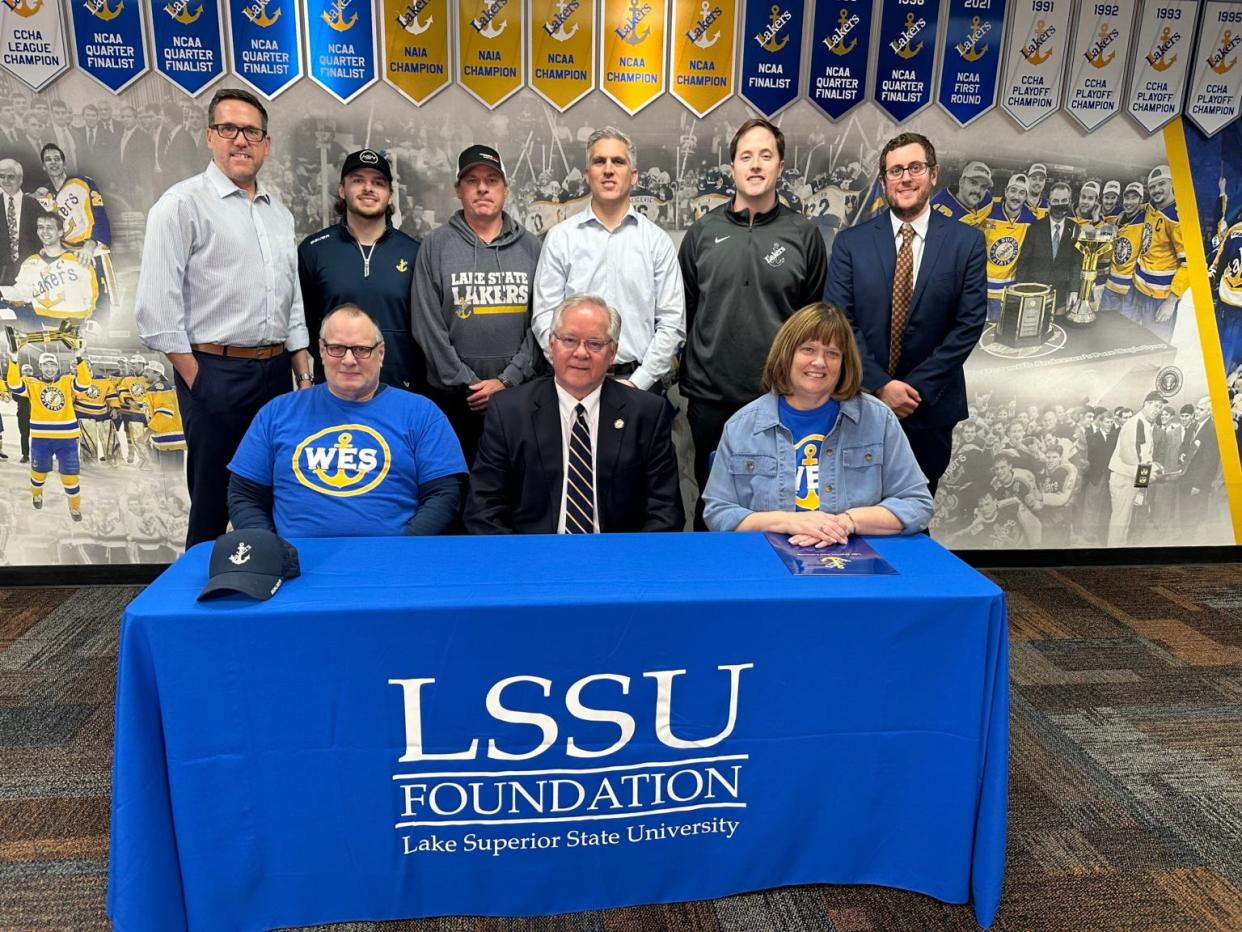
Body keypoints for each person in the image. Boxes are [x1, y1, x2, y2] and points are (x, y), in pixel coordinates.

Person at [134, 87, 312, 547]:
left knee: (276, 497)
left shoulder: (280, 214)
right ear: (210, 136)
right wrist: (200, 381)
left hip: (276, 375)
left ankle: (270, 590)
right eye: (228, 128)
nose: (241, 140)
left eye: (251, 131)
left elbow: (290, 298)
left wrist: (302, 373)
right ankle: (201, 608)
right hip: (213, 371)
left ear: (266, 143)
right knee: (213, 502)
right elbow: (157, 313)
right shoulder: (180, 205)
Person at [678, 118, 827, 527]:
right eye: (746, 156)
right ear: (733, 168)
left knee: (778, 503)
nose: (756, 165)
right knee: (714, 505)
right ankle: (711, 587)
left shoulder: (804, 235)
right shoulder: (702, 233)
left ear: (780, 166)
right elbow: (686, 312)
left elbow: (812, 323)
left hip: (779, 398)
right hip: (711, 399)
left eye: (766, 155)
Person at [824, 132, 987, 496]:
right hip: (859, 402)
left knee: (913, 518)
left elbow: (969, 323)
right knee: (851, 514)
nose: (905, 178)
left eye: (915, 167)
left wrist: (911, 391)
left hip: (930, 408)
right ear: (883, 182)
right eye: (895, 170)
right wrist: (881, 384)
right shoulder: (851, 244)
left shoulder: (967, 242)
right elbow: (839, 321)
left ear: (933, 174)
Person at [702, 302, 932, 545]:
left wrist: (846, 522)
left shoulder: (878, 419)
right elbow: (718, 512)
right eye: (808, 349)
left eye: (832, 353)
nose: (820, 362)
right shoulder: (742, 425)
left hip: (854, 560)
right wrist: (788, 522)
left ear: (845, 362)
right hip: (769, 561)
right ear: (786, 353)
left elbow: (916, 503)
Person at [229, 305, 466, 537]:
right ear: (321, 351)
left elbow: (444, 494)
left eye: (362, 349)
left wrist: (401, 551)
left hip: (390, 561)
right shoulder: (276, 413)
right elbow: (244, 495)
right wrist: (271, 550)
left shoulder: (422, 414)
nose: (349, 360)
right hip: (296, 563)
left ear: (380, 353)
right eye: (337, 348)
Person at [465, 294, 683, 534]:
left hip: (619, 561)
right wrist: (521, 566)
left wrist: (628, 566)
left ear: (612, 353)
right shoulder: (509, 411)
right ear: (551, 344)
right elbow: (484, 509)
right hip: (532, 561)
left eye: (595, 343)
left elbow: (666, 512)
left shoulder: (647, 414)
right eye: (569, 340)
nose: (581, 353)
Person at [411, 144, 542, 464]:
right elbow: (426, 325)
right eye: (472, 180)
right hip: (455, 402)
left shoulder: (531, 247)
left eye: (492, 180)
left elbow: (543, 322)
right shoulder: (435, 246)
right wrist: (467, 384)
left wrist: (508, 380)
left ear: (505, 189)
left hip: (519, 398)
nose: (482, 187)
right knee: (456, 492)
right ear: (458, 189)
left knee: (517, 496)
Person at [531, 128, 684, 393]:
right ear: (588, 174)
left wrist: (640, 381)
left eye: (619, 161)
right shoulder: (560, 238)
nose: (609, 169)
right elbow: (545, 317)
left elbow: (672, 323)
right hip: (572, 385)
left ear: (633, 175)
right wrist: (573, 369)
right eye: (599, 161)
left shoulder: (657, 242)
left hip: (641, 385)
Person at [298, 148, 422, 392]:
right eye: (358, 181)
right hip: (335, 390)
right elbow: (302, 325)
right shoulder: (313, 250)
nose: (368, 188)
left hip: (401, 389)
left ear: (389, 195)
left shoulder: (415, 252)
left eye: (378, 183)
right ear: (342, 190)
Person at [5, 349, 92, 520]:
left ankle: (74, 507)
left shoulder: (67, 380)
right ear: (40, 366)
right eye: (46, 364)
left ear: (57, 366)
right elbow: (14, 385)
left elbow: (84, 384)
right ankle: (37, 494)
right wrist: (13, 359)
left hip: (66, 439)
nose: (50, 368)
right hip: (41, 439)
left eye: (53, 364)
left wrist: (79, 358)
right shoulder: (31, 382)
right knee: (39, 474)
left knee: (70, 476)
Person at [1011, 181, 1081, 315]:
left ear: (1070, 201)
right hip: (1034, 293)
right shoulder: (1035, 228)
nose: (1060, 204)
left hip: (1060, 295)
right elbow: (1024, 262)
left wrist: (1074, 290)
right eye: (1056, 200)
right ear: (1049, 203)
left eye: (1064, 200)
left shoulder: (1075, 228)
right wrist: (1019, 290)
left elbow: (1075, 263)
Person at [1107, 391, 1164, 546]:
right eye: (1156, 406)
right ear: (1146, 404)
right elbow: (1131, 458)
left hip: (1129, 478)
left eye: (1160, 407)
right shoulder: (1135, 423)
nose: (1158, 410)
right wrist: (1144, 483)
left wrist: (1143, 483)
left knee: (1124, 521)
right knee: (1120, 521)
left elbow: (1143, 458)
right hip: (1123, 479)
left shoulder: (1144, 424)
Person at [0, 158, 42, 286]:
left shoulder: (34, 205)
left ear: (20, 179)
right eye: (2, 176)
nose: (5, 181)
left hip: (31, 272)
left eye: (11, 177)